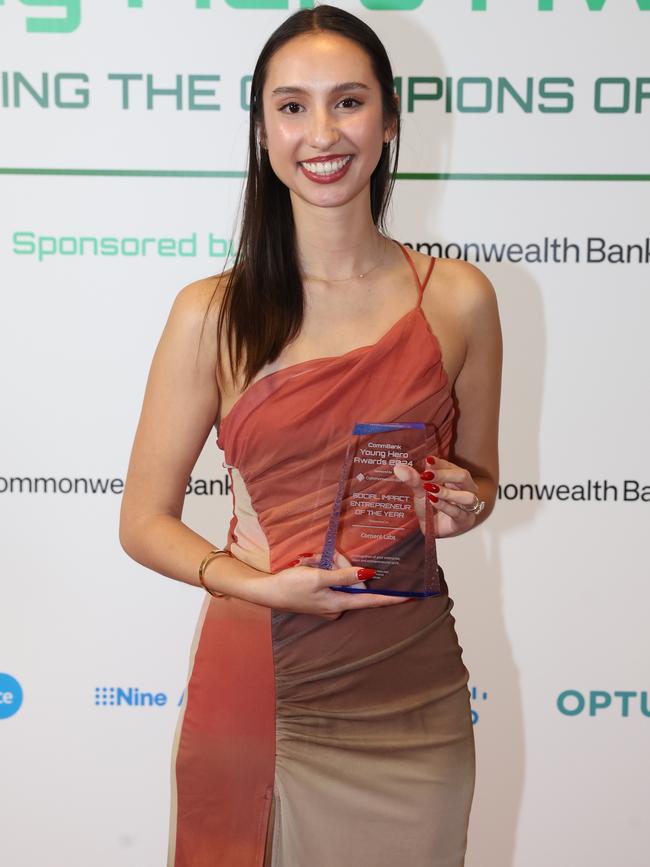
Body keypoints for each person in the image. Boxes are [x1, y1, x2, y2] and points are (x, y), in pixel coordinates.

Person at [119, 5, 502, 866]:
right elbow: (142, 521)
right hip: (260, 674)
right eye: (291, 106)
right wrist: (256, 586)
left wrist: (460, 500)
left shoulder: (461, 299)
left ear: (392, 116)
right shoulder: (210, 314)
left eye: (348, 102)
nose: (321, 132)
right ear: (261, 130)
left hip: (410, 693)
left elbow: (481, 481)